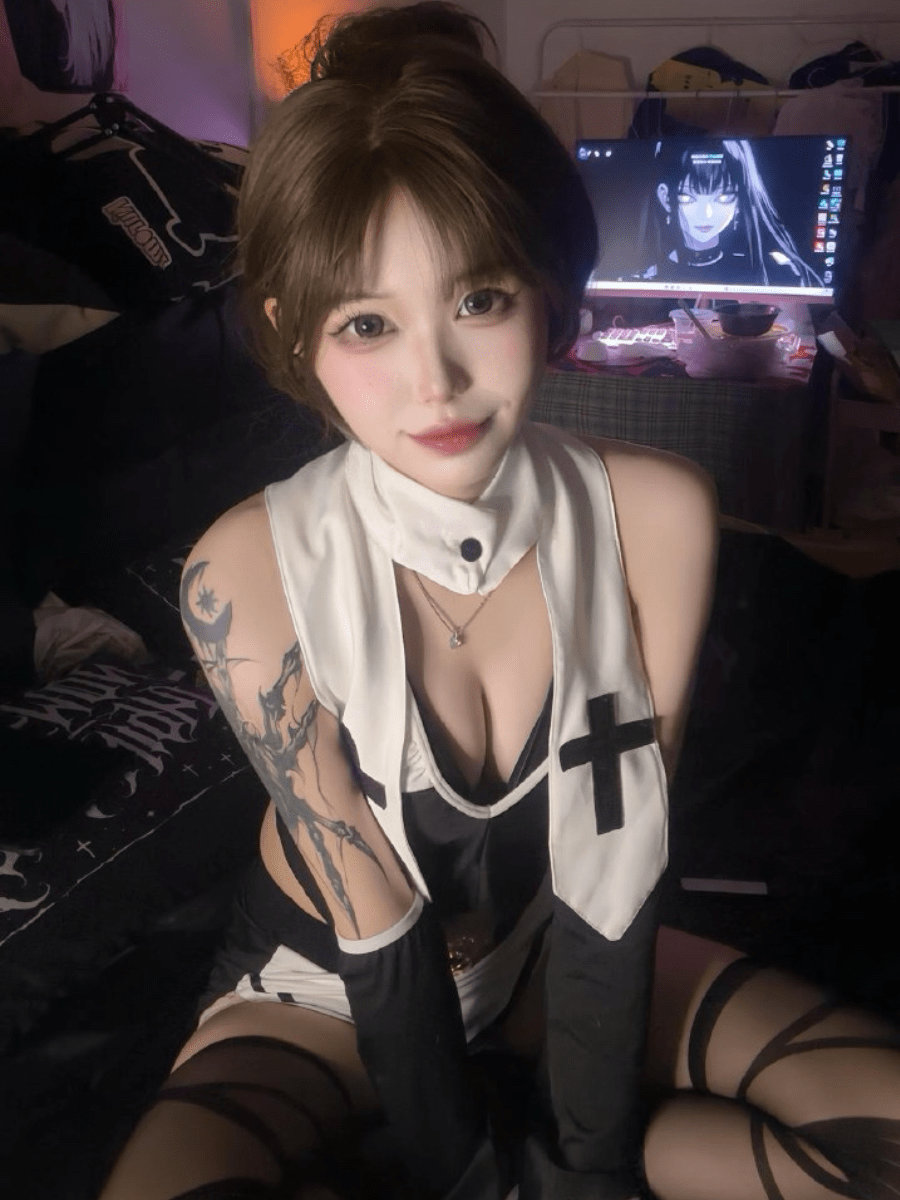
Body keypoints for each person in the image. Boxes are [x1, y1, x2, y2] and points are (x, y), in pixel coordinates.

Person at [99, 6, 900, 1199]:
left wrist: (588, 1163)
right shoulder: (246, 568)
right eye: (368, 324)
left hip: (541, 958)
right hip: (317, 998)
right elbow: (373, 916)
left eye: (478, 300)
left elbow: (615, 866)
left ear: (550, 289)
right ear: (291, 334)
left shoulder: (657, 514)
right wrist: (468, 1176)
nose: (434, 382)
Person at [631, 139, 825, 288]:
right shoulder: (645, 277)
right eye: (689, 198)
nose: (706, 214)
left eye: (723, 198)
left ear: (739, 201)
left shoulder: (776, 269)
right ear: (665, 197)